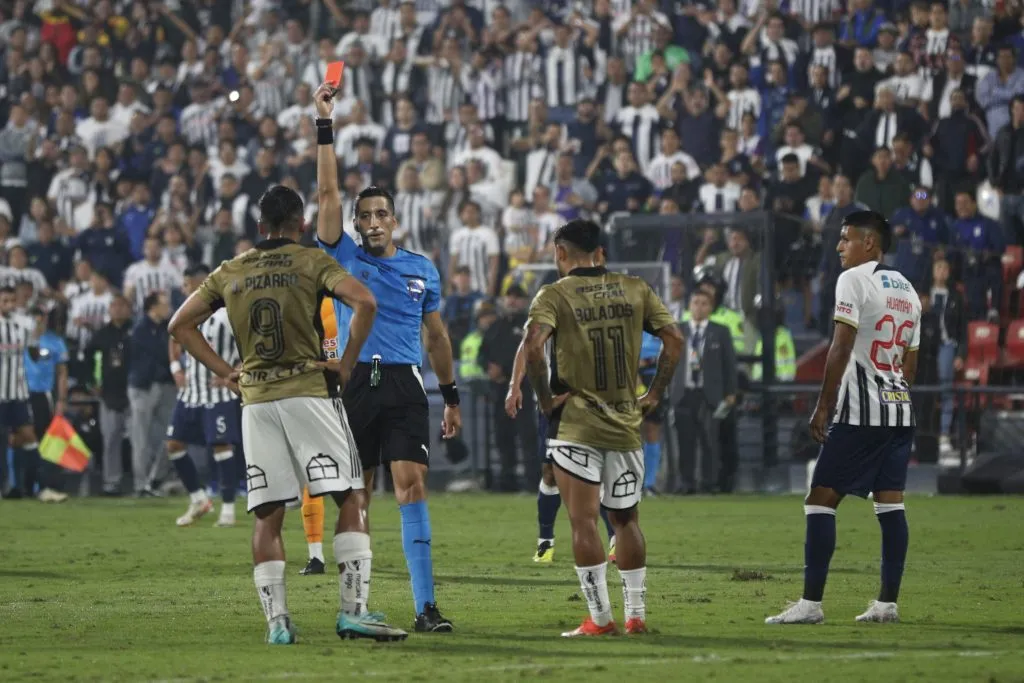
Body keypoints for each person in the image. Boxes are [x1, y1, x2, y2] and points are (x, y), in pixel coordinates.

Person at [168, 184, 407, 645]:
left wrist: (226, 372)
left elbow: (178, 325)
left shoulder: (230, 270)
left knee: (268, 514)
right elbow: (366, 302)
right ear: (300, 225)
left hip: (256, 400)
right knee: (352, 494)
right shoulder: (311, 260)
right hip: (309, 391)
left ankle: (277, 622)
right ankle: (353, 613)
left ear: (259, 227)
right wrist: (349, 363)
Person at [313, 82, 460, 633]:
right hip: (354, 386)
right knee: (358, 493)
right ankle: (356, 608)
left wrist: (450, 396)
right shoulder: (343, 255)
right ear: (355, 225)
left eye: (381, 214)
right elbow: (327, 196)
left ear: (394, 220)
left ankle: (426, 607)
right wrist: (324, 125)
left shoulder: (423, 269)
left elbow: (439, 338)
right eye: (365, 215)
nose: (373, 222)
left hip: (403, 385)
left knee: (412, 484)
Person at [522, 218, 683, 637]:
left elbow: (534, 347)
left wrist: (543, 400)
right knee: (627, 520)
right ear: (600, 252)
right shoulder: (636, 288)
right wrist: (654, 394)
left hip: (576, 426)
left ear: (560, 252)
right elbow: (675, 341)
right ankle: (636, 616)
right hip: (627, 424)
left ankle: (599, 619)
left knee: (583, 521)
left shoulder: (553, 294)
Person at [766, 210, 921, 625]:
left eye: (846, 239)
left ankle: (811, 604)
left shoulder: (853, 279)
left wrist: (823, 405)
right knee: (890, 504)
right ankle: (887, 603)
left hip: (861, 412)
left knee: (820, 500)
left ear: (869, 243)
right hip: (899, 410)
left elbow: (840, 346)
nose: (839, 246)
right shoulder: (908, 289)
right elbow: (911, 365)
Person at [505, 246, 619, 564]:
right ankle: (546, 540)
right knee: (550, 472)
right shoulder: (552, 300)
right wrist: (514, 386)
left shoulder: (606, 300)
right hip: (559, 402)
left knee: (601, 469)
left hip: (597, 400)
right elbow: (528, 344)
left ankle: (614, 540)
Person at [166, 264, 242, 528]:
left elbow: (250, 344)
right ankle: (199, 499)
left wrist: (232, 373)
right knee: (173, 445)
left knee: (221, 447)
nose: (183, 289)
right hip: (190, 393)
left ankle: (229, 510)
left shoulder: (227, 314)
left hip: (217, 394)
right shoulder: (186, 313)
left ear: (199, 284)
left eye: (187, 284)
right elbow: (174, 336)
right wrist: (176, 368)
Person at [299, 296, 343, 576]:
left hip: (343, 402)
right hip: (317, 401)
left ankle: (354, 549)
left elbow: (367, 358)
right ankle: (316, 556)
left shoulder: (348, 304)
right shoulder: (305, 305)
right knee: (312, 478)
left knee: (349, 485)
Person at [0, 287, 45, 501]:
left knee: (28, 436)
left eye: (11, 300)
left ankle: (32, 486)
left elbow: (34, 354)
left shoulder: (22, 324)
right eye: (4, 300)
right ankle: (6, 487)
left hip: (18, 392)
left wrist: (37, 332)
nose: (8, 304)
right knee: (3, 440)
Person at [23, 306, 70, 503]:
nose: (36, 322)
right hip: (22, 394)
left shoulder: (55, 342)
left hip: (45, 395)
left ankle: (46, 485)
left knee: (47, 441)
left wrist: (61, 399)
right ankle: (26, 486)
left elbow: (62, 373)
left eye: (39, 318)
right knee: (24, 439)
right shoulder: (19, 340)